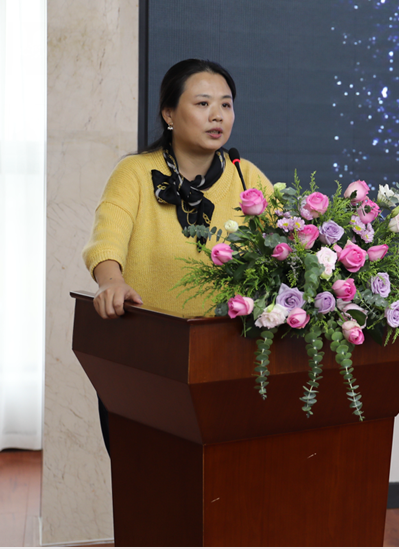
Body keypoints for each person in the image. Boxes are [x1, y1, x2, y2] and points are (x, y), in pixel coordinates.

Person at [82, 59, 272, 453]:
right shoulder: (135, 172)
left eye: (226, 104)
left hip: (225, 360)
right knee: (149, 477)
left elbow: (286, 244)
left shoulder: (246, 177)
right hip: (145, 356)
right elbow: (107, 237)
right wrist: (111, 281)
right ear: (169, 113)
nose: (218, 115)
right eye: (203, 104)